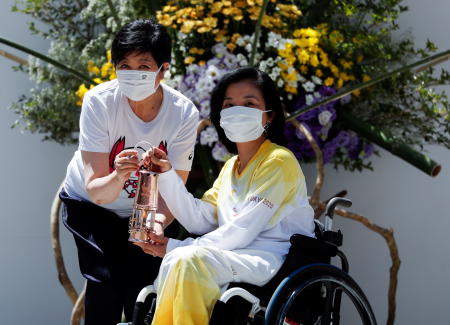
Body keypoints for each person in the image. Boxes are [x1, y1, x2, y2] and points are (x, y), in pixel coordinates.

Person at [136, 67, 315, 325]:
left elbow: (242, 230)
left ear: (270, 115)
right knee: (181, 258)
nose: (237, 111)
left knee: (186, 258)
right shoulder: (231, 167)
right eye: (229, 105)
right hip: (232, 254)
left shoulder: (279, 161)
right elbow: (200, 219)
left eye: (249, 103)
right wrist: (165, 173)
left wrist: (175, 245)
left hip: (268, 257)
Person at [59, 18, 199, 325]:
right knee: (105, 283)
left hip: (146, 210)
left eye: (144, 67)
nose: (132, 74)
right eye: (124, 65)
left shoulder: (184, 113)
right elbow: (96, 188)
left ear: (164, 69)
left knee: (143, 292)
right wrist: (119, 175)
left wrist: (157, 224)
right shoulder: (99, 102)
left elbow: (175, 188)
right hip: (91, 204)